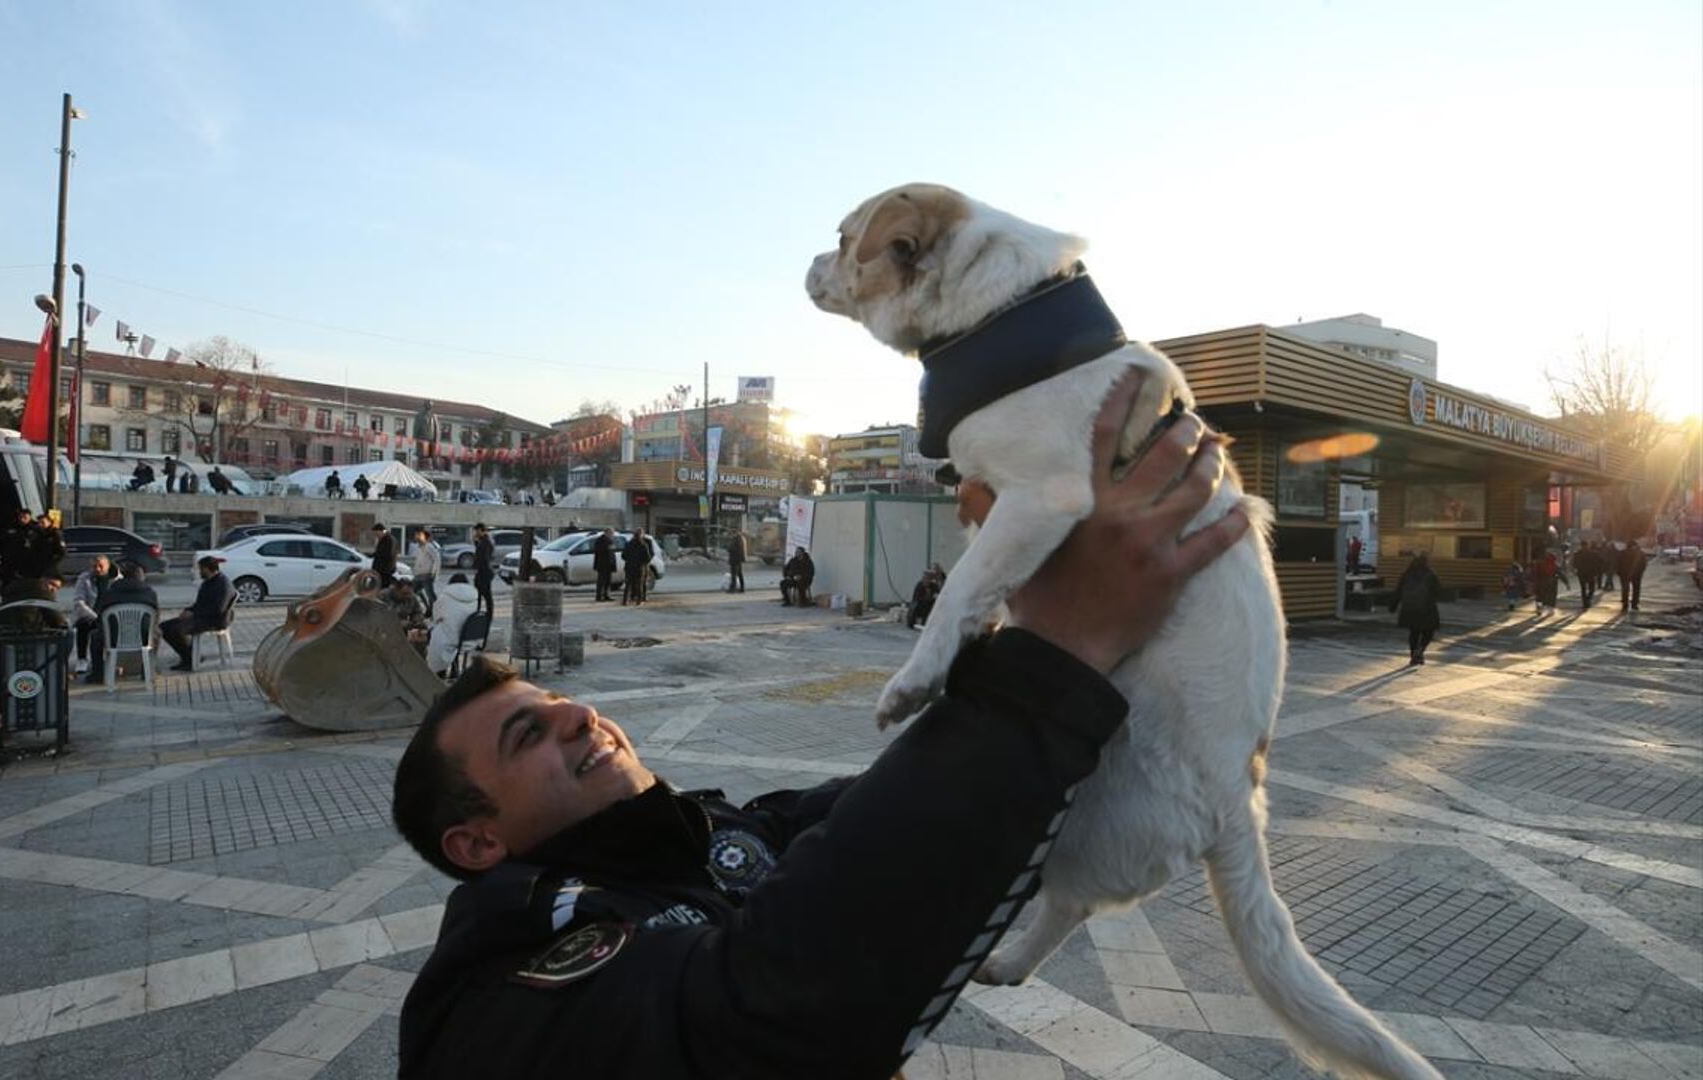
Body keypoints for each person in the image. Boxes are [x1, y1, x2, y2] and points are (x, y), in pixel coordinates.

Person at [389, 385, 1247, 1078]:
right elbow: (767, 1005)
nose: (578, 714)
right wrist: (1057, 653)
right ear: (474, 843)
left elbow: (904, 823)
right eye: (525, 737)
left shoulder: (720, 833)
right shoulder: (495, 996)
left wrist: (1153, 736)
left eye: (554, 703)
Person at [83, 563, 160, 684]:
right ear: (140, 577)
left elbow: (100, 617)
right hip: (143, 638)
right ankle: (148, 671)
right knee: (157, 634)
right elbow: (155, 618)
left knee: (95, 636)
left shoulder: (110, 592)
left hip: (112, 638)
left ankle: (97, 674)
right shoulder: (150, 593)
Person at [160, 556, 236, 672]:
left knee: (176, 630)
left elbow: (218, 609)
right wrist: (189, 610)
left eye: (201, 569)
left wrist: (194, 615)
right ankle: (191, 656)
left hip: (216, 620)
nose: (199, 572)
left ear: (207, 569)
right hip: (202, 616)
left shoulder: (223, 584)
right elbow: (199, 603)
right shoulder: (207, 583)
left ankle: (190, 660)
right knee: (164, 627)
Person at [1389, 552, 1441, 665]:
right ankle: (1420, 650)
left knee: (1414, 632)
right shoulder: (1430, 574)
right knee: (1429, 631)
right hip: (1427, 608)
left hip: (1409, 608)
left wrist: (1393, 605)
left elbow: (1398, 591)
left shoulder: (1407, 574)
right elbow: (1438, 591)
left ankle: (1414, 655)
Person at [70, 554, 120, 670]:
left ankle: (113, 658)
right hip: (92, 615)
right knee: (82, 624)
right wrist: (94, 616)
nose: (97, 569)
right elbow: (79, 602)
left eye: (100, 566)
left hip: (111, 616)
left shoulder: (118, 580)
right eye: (94, 566)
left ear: (108, 566)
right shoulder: (85, 578)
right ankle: (82, 659)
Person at [426, 572, 481, 675]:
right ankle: (454, 669)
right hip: (468, 638)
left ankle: (440, 670)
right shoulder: (475, 598)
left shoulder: (445, 596)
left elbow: (436, 617)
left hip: (450, 637)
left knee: (434, 633)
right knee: (453, 633)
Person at [0, 508, 38, 585]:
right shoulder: (12, 526)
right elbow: (4, 541)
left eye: (25, 517)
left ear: (30, 517)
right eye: (21, 517)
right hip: (12, 557)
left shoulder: (35, 528)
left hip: (29, 557)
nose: (22, 519)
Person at [410, 528, 442, 615]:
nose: (416, 537)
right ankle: (427, 608)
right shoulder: (420, 548)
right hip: (418, 575)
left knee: (430, 595)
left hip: (427, 575)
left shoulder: (429, 547)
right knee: (413, 591)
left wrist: (434, 573)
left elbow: (437, 559)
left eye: (419, 535)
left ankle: (435, 611)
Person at [32, 513, 68, 581]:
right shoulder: (38, 534)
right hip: (39, 565)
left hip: (50, 565)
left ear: (49, 522)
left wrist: (52, 563)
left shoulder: (55, 533)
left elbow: (62, 551)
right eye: (39, 523)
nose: (40, 525)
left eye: (43, 522)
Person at [621, 528, 652, 605]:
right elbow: (648, 558)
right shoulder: (643, 545)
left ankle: (625, 601)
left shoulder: (628, 544)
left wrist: (629, 560)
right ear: (641, 535)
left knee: (628, 585)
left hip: (629, 567)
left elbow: (623, 556)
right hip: (639, 568)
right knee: (639, 584)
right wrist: (642, 563)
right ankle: (639, 601)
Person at [906, 565, 943, 630]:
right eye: (926, 577)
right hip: (920, 606)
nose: (927, 579)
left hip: (929, 605)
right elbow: (917, 599)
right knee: (920, 607)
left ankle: (928, 623)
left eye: (929, 577)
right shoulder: (919, 585)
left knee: (932, 607)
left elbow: (938, 594)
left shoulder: (933, 586)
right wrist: (929, 597)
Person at [472, 524, 496, 616]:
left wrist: (477, 565)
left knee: (486, 594)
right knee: (478, 592)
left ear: (482, 531)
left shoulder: (486, 542)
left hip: (485, 571)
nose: (475, 533)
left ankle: (489, 613)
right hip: (482, 571)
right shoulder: (482, 541)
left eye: (477, 531)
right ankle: (477, 610)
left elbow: (484, 557)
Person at [1619, 539, 1648, 611]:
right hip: (1636, 575)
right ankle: (1634, 604)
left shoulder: (1622, 553)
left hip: (1624, 574)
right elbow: (1644, 564)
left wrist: (1619, 573)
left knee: (1625, 589)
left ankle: (1625, 604)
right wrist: (1640, 572)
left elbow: (1617, 564)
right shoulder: (1640, 553)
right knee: (1636, 589)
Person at [1531, 547, 1561, 615]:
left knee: (1540, 596)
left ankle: (1539, 609)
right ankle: (1550, 610)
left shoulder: (1540, 562)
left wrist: (1534, 580)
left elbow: (1535, 572)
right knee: (1551, 597)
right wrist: (1566, 583)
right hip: (1552, 582)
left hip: (1541, 581)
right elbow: (1559, 573)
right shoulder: (1555, 564)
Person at [591, 531, 617, 602]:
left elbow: (612, 552)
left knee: (608, 581)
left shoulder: (610, 540)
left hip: (609, 564)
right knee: (601, 581)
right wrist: (607, 547)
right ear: (607, 533)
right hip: (602, 564)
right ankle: (599, 596)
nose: (612, 535)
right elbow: (597, 550)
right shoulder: (600, 540)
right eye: (611, 534)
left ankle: (606, 595)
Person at [372, 524, 400, 588]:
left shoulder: (389, 540)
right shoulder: (383, 539)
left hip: (385, 569)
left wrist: (376, 554)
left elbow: (388, 554)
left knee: (384, 586)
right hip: (382, 569)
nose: (376, 536)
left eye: (376, 534)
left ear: (380, 531)